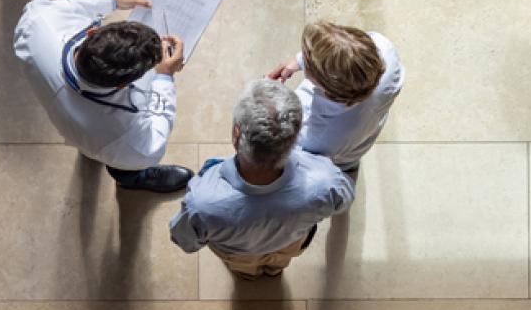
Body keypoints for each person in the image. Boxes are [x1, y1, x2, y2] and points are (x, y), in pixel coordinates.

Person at [168, 80, 355, 279]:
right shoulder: (325, 181)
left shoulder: (202, 202)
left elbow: (184, 239)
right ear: (294, 136)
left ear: (236, 134)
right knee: (279, 263)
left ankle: (248, 276)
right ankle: (274, 271)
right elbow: (345, 198)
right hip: (289, 244)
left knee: (244, 269)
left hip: (238, 253)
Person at [12, 0, 191, 194]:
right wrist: (164, 78)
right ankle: (131, 178)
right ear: (122, 85)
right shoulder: (124, 137)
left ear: (92, 32)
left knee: (93, 145)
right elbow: (152, 147)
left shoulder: (37, 23)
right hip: (106, 143)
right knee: (124, 163)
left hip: (73, 124)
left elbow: (51, 9)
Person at [267, 20, 405, 174]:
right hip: (362, 136)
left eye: (309, 63)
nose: (304, 59)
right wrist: (298, 62)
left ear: (328, 89)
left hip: (339, 159)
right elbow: (346, 53)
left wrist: (266, 101)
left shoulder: (313, 136)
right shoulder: (385, 50)